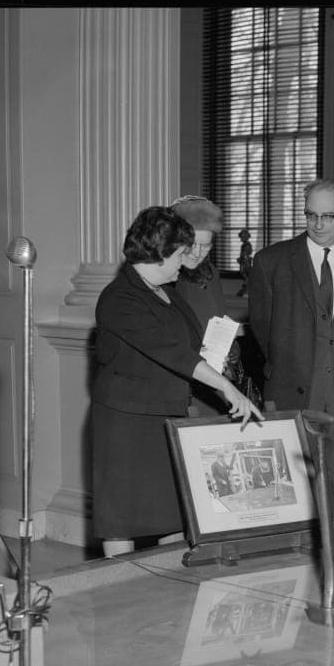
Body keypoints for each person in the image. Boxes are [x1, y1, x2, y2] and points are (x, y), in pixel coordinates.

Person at [92, 206, 261, 558]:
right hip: (126, 426)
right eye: (181, 253)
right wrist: (226, 388)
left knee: (172, 515)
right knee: (123, 519)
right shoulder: (120, 298)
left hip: (166, 417)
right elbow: (173, 354)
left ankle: (168, 596)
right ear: (160, 252)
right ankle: (123, 601)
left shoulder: (165, 290)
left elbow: (187, 346)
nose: (186, 262)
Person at [247, 179, 334, 521]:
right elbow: (262, 332)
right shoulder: (270, 261)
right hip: (294, 392)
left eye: (328, 216)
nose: (318, 225)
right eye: (311, 215)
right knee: (292, 491)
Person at [169, 195, 247, 416]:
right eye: (192, 244)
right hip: (182, 384)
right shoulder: (164, 278)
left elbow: (218, 318)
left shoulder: (209, 272)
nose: (198, 253)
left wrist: (232, 349)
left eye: (206, 245)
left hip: (213, 383)